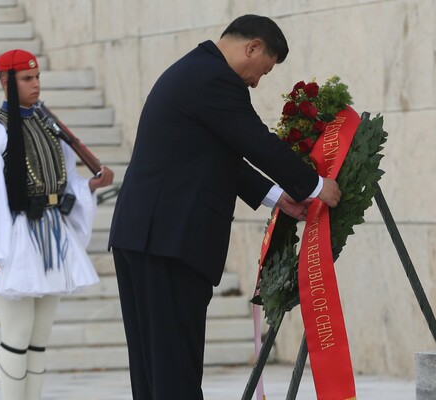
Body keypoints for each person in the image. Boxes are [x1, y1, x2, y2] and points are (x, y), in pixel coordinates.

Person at [108, 14, 341, 400]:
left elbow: (216, 155)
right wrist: (316, 185)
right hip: (169, 241)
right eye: (262, 70)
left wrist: (277, 196)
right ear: (252, 47)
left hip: (145, 236)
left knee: (154, 372)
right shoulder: (215, 79)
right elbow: (255, 142)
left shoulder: (194, 71)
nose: (256, 80)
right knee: (174, 373)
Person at [0, 49, 114, 400]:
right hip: (15, 242)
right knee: (16, 336)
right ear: (6, 82)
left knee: (39, 341)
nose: (35, 85)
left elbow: (62, 182)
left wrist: (90, 185)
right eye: (27, 79)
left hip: (52, 238)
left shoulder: (47, 129)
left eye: (37, 78)